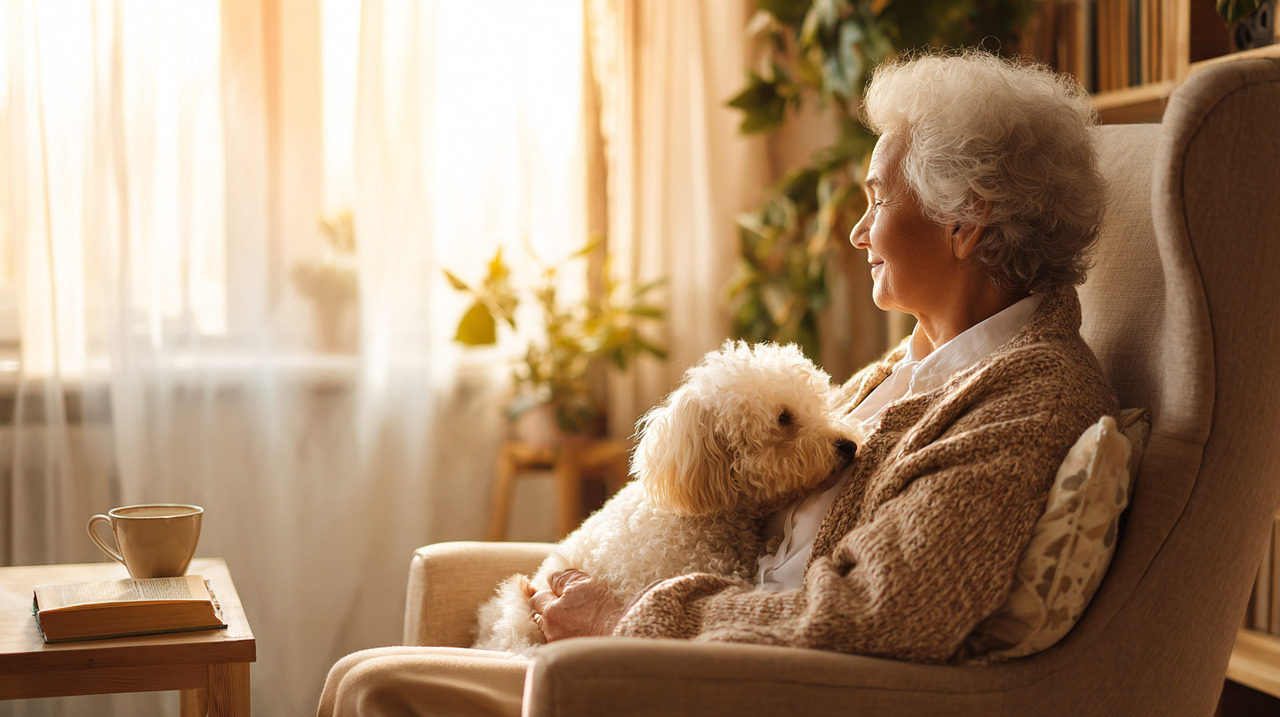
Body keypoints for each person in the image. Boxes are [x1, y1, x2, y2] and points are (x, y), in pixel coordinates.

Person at [317, 48, 1118, 716]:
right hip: (676, 652)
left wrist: (631, 618)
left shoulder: (1025, 397)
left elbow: (880, 612)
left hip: (730, 681)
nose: (856, 231)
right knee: (364, 675)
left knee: (374, 688)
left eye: (877, 199)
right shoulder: (911, 365)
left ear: (966, 220)